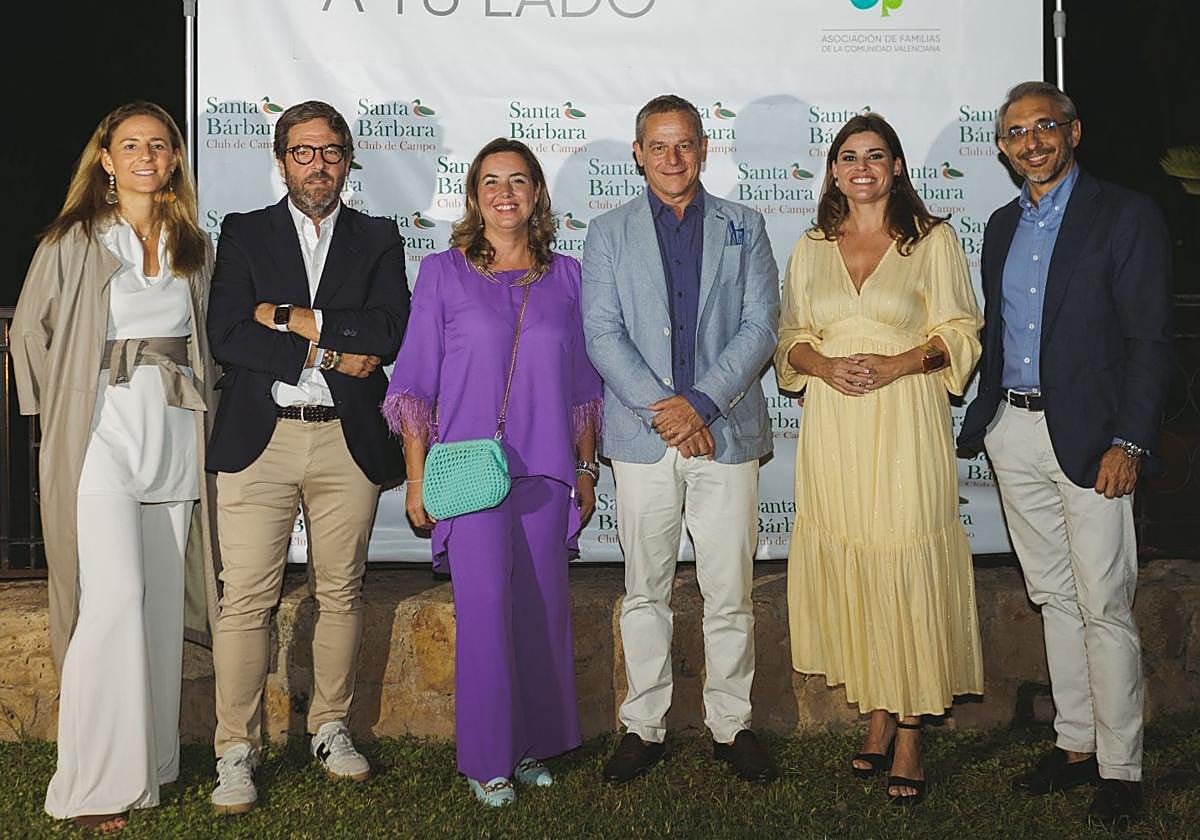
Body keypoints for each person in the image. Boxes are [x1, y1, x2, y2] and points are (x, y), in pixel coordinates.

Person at [958, 81, 1173, 826]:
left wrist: (1131, 440)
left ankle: (1121, 768)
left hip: (1095, 441)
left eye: (1045, 127)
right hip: (1015, 433)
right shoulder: (997, 225)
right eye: (1016, 133)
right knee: (1052, 595)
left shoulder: (1125, 214)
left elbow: (1150, 339)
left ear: (1074, 133)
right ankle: (1075, 743)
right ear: (1003, 149)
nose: (1032, 142)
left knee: (1105, 604)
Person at [10, 100, 217, 834]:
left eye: (158, 145)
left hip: (173, 434)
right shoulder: (74, 239)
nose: (145, 156)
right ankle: (92, 783)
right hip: (99, 435)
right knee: (115, 598)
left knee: (159, 608)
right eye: (130, 145)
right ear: (105, 157)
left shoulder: (195, 241)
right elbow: (29, 332)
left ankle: (152, 767)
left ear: (173, 159)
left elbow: (205, 340)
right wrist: (57, 406)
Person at [382, 137, 602, 807]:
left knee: (539, 612)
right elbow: (416, 381)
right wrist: (417, 479)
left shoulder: (569, 278)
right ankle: (486, 760)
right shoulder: (444, 274)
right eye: (490, 183)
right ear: (475, 198)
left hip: (545, 473)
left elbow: (582, 384)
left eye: (518, 181)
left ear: (537, 194)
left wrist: (587, 468)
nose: (505, 193)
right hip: (467, 476)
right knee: (483, 615)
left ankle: (529, 744)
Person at [204, 100, 410, 814]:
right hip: (260, 439)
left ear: (347, 158)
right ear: (280, 158)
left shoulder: (379, 237)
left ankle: (330, 726)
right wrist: (325, 348)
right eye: (302, 152)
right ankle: (236, 748)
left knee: (342, 591)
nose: (317, 164)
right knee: (246, 600)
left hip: (344, 440)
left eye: (329, 151)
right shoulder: (244, 232)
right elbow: (228, 331)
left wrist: (285, 315)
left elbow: (389, 329)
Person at [773, 112, 985, 806]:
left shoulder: (933, 241)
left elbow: (960, 331)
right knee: (857, 556)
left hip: (906, 419)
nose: (861, 167)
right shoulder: (811, 247)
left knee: (906, 559)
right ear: (833, 170)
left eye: (876, 155)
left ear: (896, 167)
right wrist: (824, 366)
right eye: (848, 156)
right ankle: (878, 711)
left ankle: (915, 727)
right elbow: (790, 340)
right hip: (836, 425)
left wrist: (899, 362)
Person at [582, 94, 780, 785]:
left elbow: (760, 328)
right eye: (658, 146)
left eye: (685, 144)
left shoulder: (744, 226)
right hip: (643, 439)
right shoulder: (606, 233)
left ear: (703, 149)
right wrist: (665, 412)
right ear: (638, 153)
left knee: (729, 591)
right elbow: (602, 333)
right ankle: (645, 725)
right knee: (646, 590)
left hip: (722, 433)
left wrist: (698, 404)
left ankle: (732, 726)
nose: (673, 158)